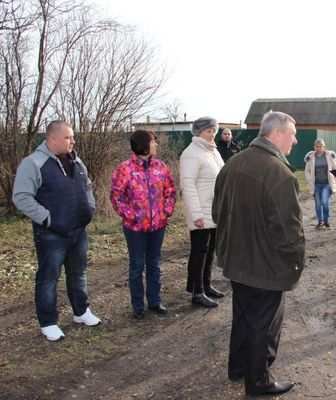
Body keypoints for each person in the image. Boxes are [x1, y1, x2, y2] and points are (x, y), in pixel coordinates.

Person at [212, 111, 304, 397]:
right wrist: (295, 265)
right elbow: (289, 232)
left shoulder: (232, 164)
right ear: (275, 134)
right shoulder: (280, 174)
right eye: (292, 134)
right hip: (266, 267)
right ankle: (259, 382)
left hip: (237, 260)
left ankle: (238, 368)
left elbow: (217, 212)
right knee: (264, 325)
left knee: (244, 317)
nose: (295, 140)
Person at [12, 120, 101, 341]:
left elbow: (87, 186)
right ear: (52, 139)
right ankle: (48, 322)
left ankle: (81, 312)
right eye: (68, 137)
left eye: (72, 137)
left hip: (78, 231)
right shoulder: (33, 163)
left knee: (78, 273)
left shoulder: (77, 161)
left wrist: (90, 207)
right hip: (52, 234)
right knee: (48, 277)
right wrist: (48, 219)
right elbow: (21, 197)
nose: (73, 141)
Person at [110, 130, 176, 319]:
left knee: (154, 264)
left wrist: (166, 211)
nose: (156, 144)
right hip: (135, 228)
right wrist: (131, 216)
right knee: (137, 265)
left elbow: (170, 191)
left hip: (158, 226)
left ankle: (155, 301)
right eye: (153, 141)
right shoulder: (125, 169)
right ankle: (138, 305)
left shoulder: (161, 167)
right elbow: (116, 196)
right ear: (144, 145)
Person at [180, 117, 225, 308]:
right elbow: (187, 185)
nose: (212, 134)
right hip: (200, 212)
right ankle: (197, 293)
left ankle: (206, 285)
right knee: (199, 252)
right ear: (198, 132)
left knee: (210, 251)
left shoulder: (212, 151)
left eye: (214, 130)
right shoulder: (191, 153)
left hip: (213, 210)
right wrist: (196, 214)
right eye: (208, 131)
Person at [304, 139, 336, 228]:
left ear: (324, 147)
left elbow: (335, 168)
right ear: (314, 147)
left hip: (326, 184)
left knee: (324, 202)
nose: (319, 148)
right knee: (318, 204)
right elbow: (307, 171)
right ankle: (320, 221)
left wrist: (334, 179)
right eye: (317, 146)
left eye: (320, 146)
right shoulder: (310, 157)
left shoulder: (329, 156)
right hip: (316, 185)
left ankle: (326, 220)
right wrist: (309, 180)